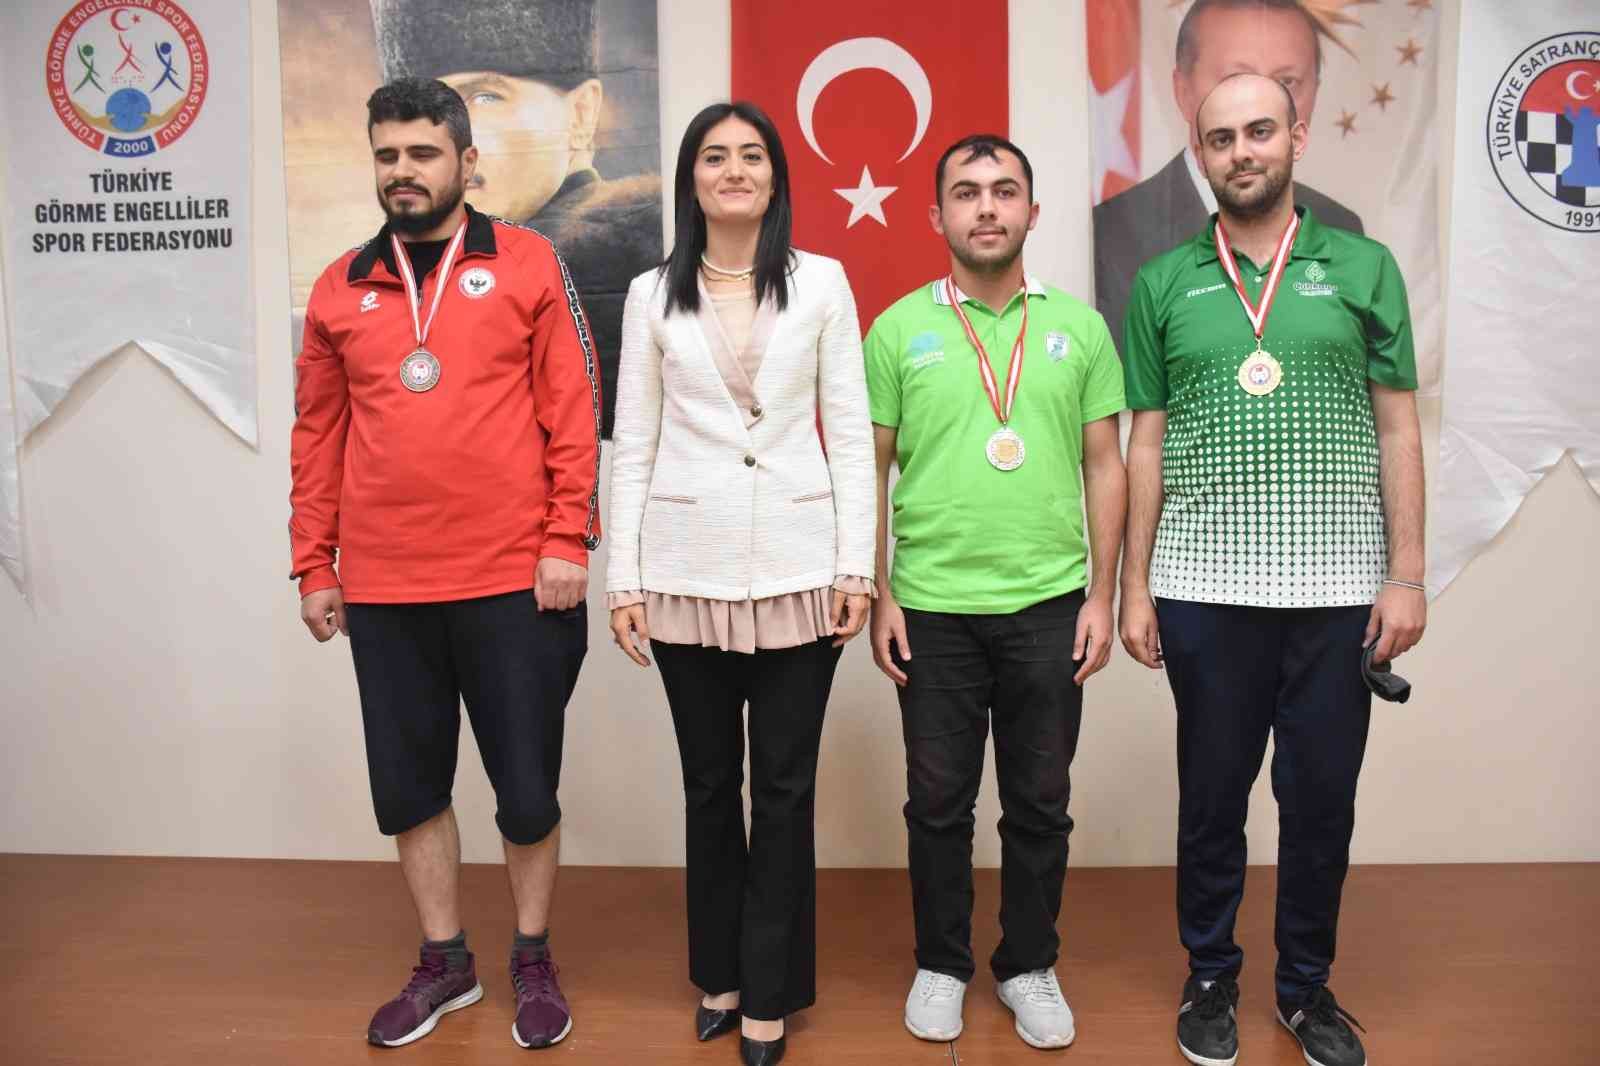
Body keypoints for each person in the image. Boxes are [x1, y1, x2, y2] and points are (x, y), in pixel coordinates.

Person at [289, 77, 602, 1051]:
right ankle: (445, 960)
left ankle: (532, 955)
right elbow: (317, 435)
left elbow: (573, 407)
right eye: (387, 155)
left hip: (514, 581)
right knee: (410, 787)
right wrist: (313, 563)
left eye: (422, 153)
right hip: (385, 588)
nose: (403, 171)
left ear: (466, 162)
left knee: (526, 790)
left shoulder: (528, 261)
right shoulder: (340, 286)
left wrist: (567, 539)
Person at [1118, 72, 1425, 1066]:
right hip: (1203, 590)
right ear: (1199, 153)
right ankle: (1210, 975)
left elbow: (1398, 427)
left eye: (1259, 130)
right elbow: (1145, 442)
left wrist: (1407, 573)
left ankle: (1304, 989)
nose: (1241, 151)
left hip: (1338, 595)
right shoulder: (1163, 281)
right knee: (1211, 800)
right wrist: (1132, 586)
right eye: (1220, 138)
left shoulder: (1364, 267)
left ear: (1297, 137)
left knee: (1320, 803)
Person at [606, 101, 875, 1066]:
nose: (733, 170)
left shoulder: (823, 282)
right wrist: (623, 579)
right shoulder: (651, 294)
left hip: (801, 570)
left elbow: (851, 434)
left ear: (775, 177)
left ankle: (770, 991)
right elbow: (633, 442)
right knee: (710, 786)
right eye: (714, 156)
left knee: (786, 792)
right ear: (691, 178)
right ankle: (718, 974)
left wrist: (856, 566)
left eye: (751, 155)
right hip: (685, 569)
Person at [864, 134, 1128, 1051]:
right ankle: (942, 963)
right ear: (936, 215)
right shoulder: (897, 329)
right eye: (967, 192)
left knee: (1040, 802)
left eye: (1004, 190)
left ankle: (1027, 964)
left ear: (1031, 211)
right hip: (931, 606)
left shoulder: (1080, 330)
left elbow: (1106, 464)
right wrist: (880, 591)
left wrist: (1103, 595)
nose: (987, 207)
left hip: (1050, 603)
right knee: (938, 804)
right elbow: (869, 468)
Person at [371, 0, 664, 434]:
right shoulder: (386, 272)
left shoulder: (608, 251)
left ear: (581, 113)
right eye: (429, 110)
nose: (451, 139)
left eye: (486, 97)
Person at [1093, 0, 1364, 339]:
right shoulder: (1113, 231)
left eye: (1288, 81)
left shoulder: (1341, 227)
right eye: (1235, 77)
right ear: (1182, 90)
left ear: (1315, 93)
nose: (1259, 100)